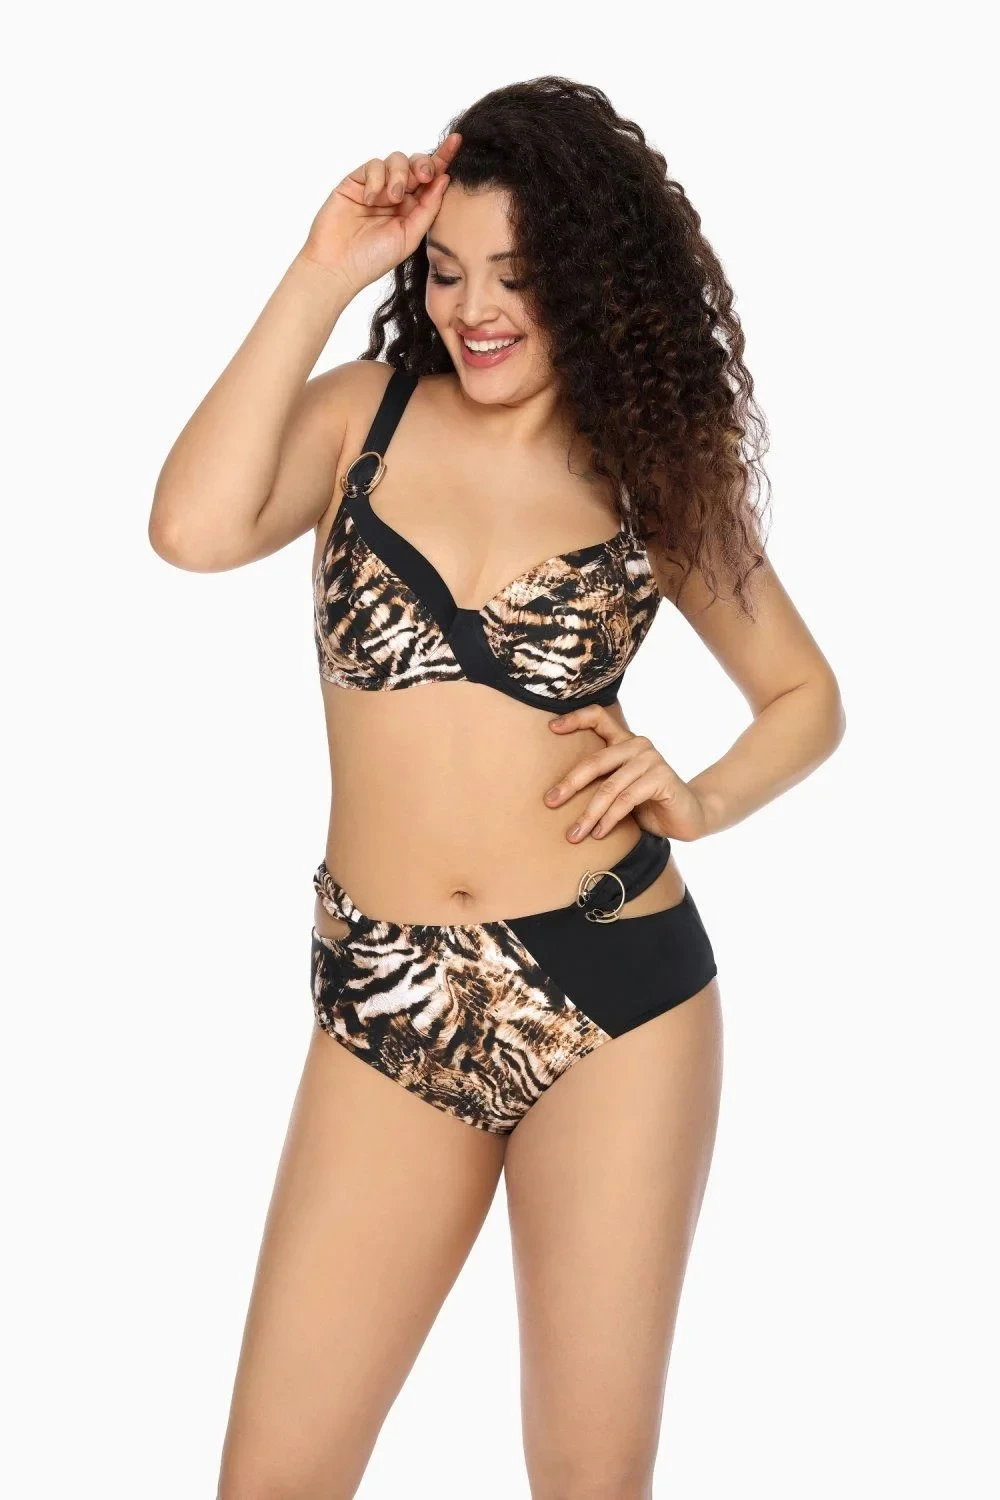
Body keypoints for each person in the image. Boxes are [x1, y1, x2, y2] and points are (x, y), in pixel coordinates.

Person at [150, 75, 845, 1500]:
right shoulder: (364, 418)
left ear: (591, 282)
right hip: (389, 992)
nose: (477, 308)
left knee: (588, 1481)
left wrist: (700, 798)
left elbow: (805, 697)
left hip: (613, 993)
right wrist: (323, 268)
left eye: (519, 277)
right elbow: (191, 528)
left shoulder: (649, 474)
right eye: (448, 270)